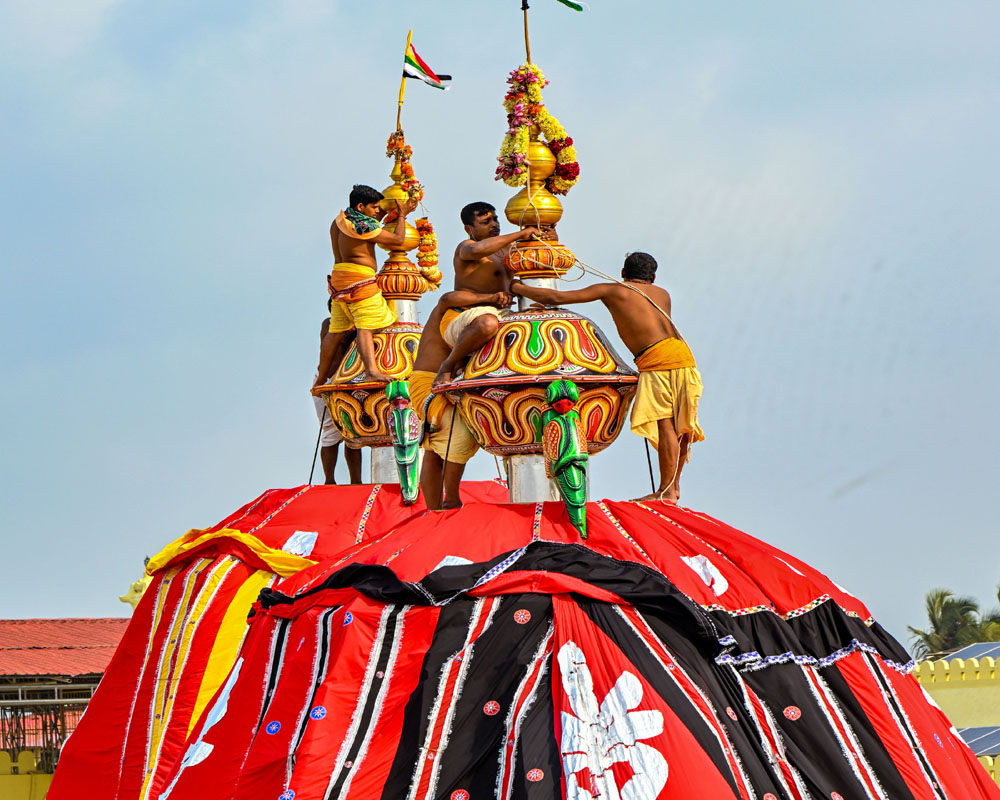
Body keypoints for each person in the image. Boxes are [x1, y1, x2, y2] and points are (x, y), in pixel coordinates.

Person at [511, 251, 704, 504]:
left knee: (666, 425)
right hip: (684, 359)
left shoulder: (613, 290)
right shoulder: (663, 294)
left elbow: (554, 296)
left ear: (623, 273)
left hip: (659, 363)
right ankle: (672, 489)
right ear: (653, 277)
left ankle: (666, 492)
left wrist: (515, 286)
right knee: (680, 428)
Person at [409, 288, 511, 509]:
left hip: (445, 384)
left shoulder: (470, 322)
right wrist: (490, 296)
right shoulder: (454, 314)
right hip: (428, 380)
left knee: (435, 447)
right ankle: (450, 500)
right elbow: (446, 298)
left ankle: (434, 509)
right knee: (458, 434)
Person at [432, 202, 546, 387]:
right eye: (486, 222)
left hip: (503, 314)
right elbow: (478, 250)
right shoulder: (467, 247)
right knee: (487, 323)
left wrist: (545, 231)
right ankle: (447, 367)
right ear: (469, 228)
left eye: (495, 219)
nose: (495, 224)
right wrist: (520, 234)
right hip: (465, 317)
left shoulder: (508, 249)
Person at [315, 184, 417, 387]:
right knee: (366, 327)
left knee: (335, 331)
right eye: (375, 207)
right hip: (359, 281)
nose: (378, 212)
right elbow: (397, 240)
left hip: (338, 280)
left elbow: (371, 227)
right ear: (360, 206)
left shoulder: (340, 221)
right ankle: (371, 371)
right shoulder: (364, 227)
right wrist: (402, 215)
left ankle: (320, 377)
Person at [313, 285, 362, 485]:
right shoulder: (331, 325)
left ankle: (356, 481)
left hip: (346, 379)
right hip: (326, 380)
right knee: (330, 431)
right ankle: (329, 480)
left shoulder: (357, 327)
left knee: (353, 432)